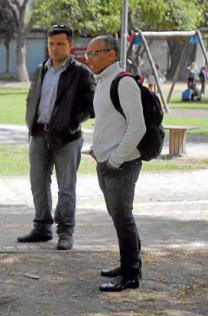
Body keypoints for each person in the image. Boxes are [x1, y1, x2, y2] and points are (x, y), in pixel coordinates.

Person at [17, 24, 95, 250]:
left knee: (66, 187)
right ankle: (41, 228)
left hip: (67, 138)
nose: (55, 48)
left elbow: (92, 106)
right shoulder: (41, 69)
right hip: (39, 134)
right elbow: (32, 97)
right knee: (38, 184)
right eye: (51, 44)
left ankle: (66, 231)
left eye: (60, 44)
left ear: (70, 45)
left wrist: (70, 124)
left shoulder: (81, 73)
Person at [85, 35, 145, 292]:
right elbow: (109, 123)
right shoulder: (102, 82)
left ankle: (130, 276)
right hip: (105, 162)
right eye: (87, 54)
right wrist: (98, 150)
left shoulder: (124, 83)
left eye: (94, 53)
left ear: (111, 54)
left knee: (123, 217)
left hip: (121, 165)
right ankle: (128, 264)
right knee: (118, 217)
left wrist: (115, 159)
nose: (89, 59)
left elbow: (137, 127)